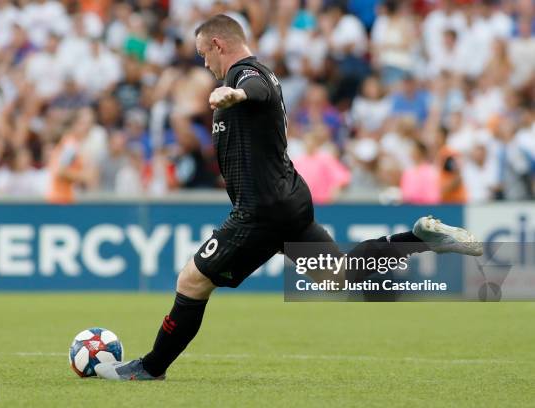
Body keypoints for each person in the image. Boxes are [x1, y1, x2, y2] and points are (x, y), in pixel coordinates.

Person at [95, 15, 483, 381]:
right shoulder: (261, 74)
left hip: (261, 211)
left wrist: (233, 93)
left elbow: (255, 90)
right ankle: (420, 239)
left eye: (204, 55)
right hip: (289, 200)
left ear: (218, 44)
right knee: (338, 276)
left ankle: (151, 367)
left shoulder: (245, 75)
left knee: (193, 280)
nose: (206, 65)